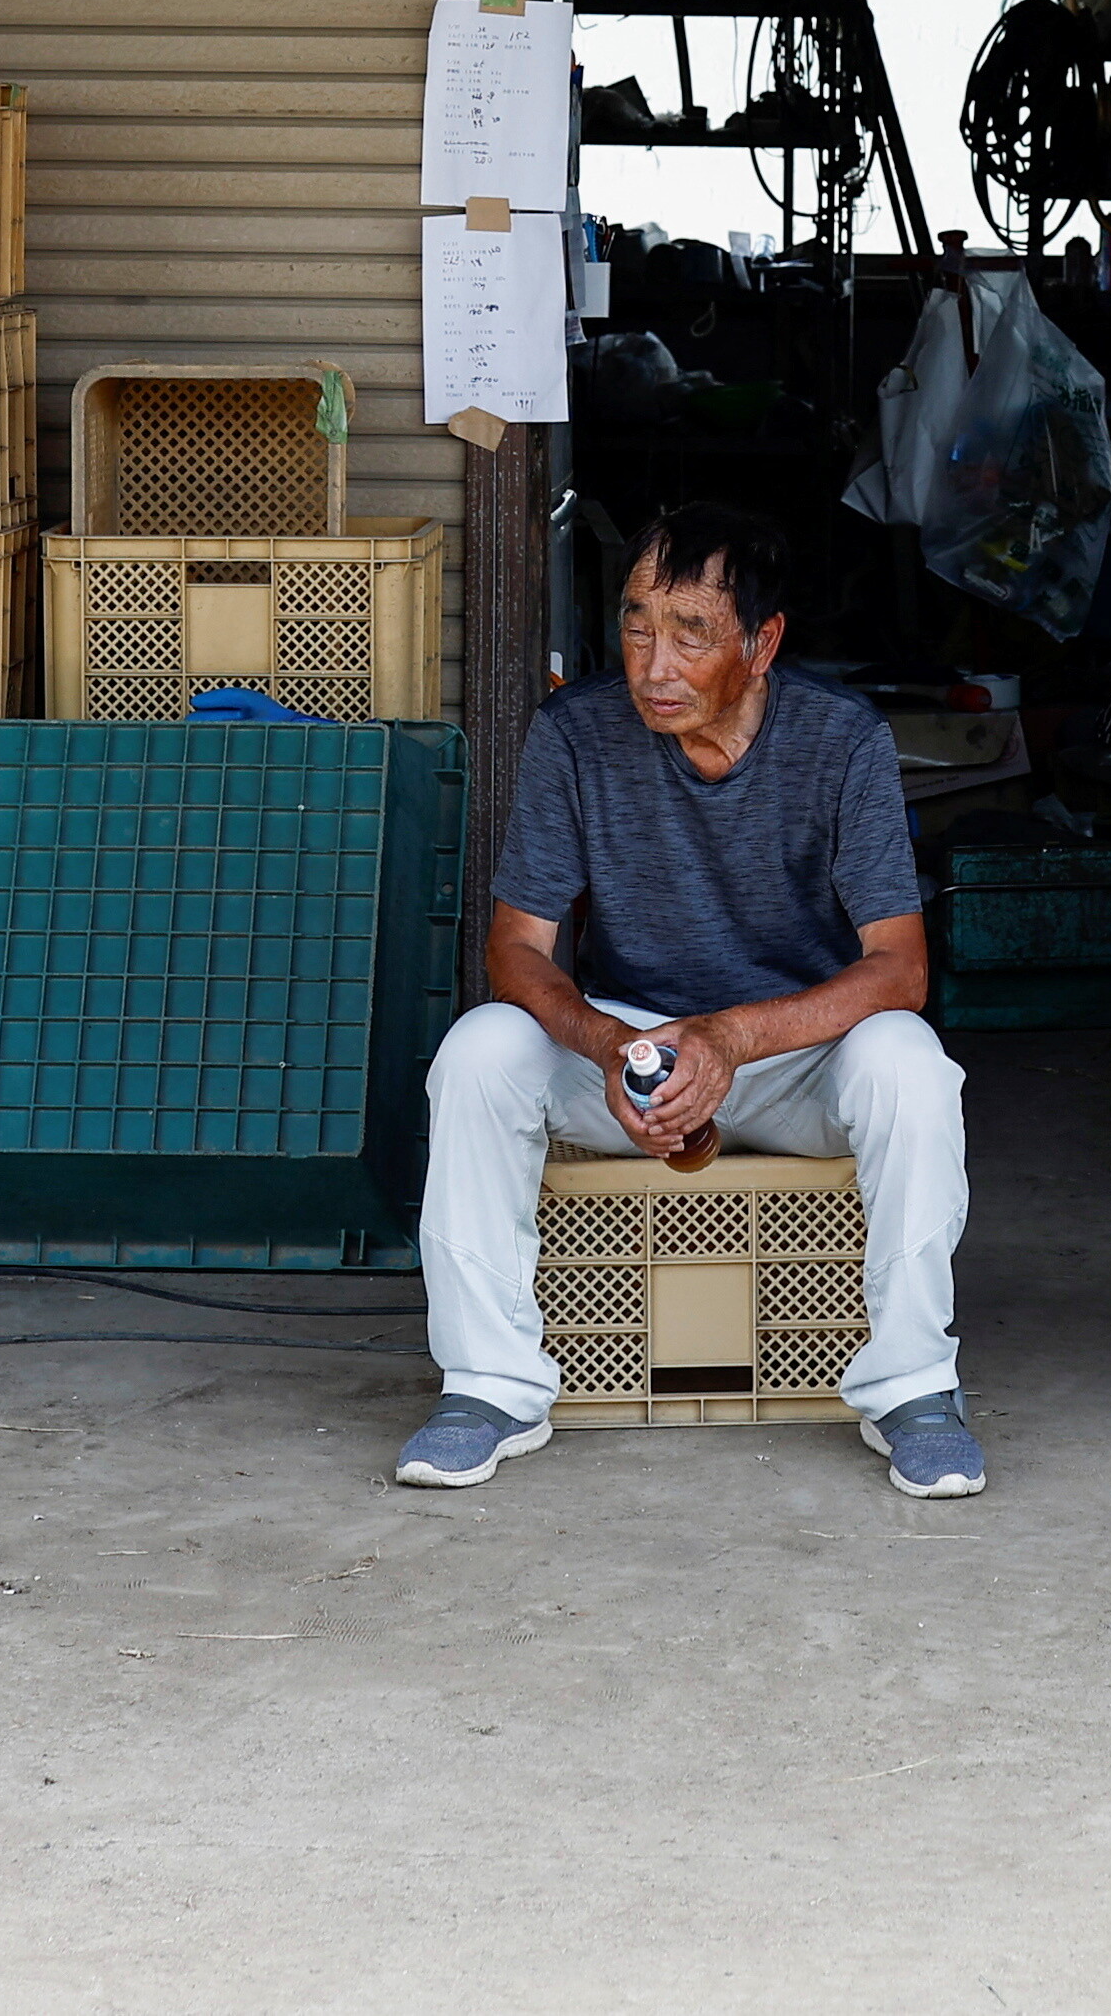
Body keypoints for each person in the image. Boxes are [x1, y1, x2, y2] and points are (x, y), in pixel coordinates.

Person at [396, 502, 985, 1498]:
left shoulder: (840, 741)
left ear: (762, 645)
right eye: (635, 625)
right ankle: (487, 1383)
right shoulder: (574, 735)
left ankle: (913, 1389)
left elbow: (899, 968)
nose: (654, 666)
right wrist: (605, 1043)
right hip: (633, 1060)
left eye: (691, 634)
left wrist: (728, 1038)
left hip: (792, 1060)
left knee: (908, 1065)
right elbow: (516, 951)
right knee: (479, 1050)